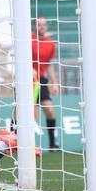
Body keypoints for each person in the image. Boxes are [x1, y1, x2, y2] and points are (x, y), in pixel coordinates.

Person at [30, 17, 60, 151]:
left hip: (41, 80)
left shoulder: (50, 43)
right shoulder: (28, 40)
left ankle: (53, 144)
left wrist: (55, 83)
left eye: (43, 24)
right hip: (27, 80)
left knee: (49, 109)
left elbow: (49, 66)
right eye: (39, 24)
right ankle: (13, 141)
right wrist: (29, 70)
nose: (41, 27)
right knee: (23, 112)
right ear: (34, 26)